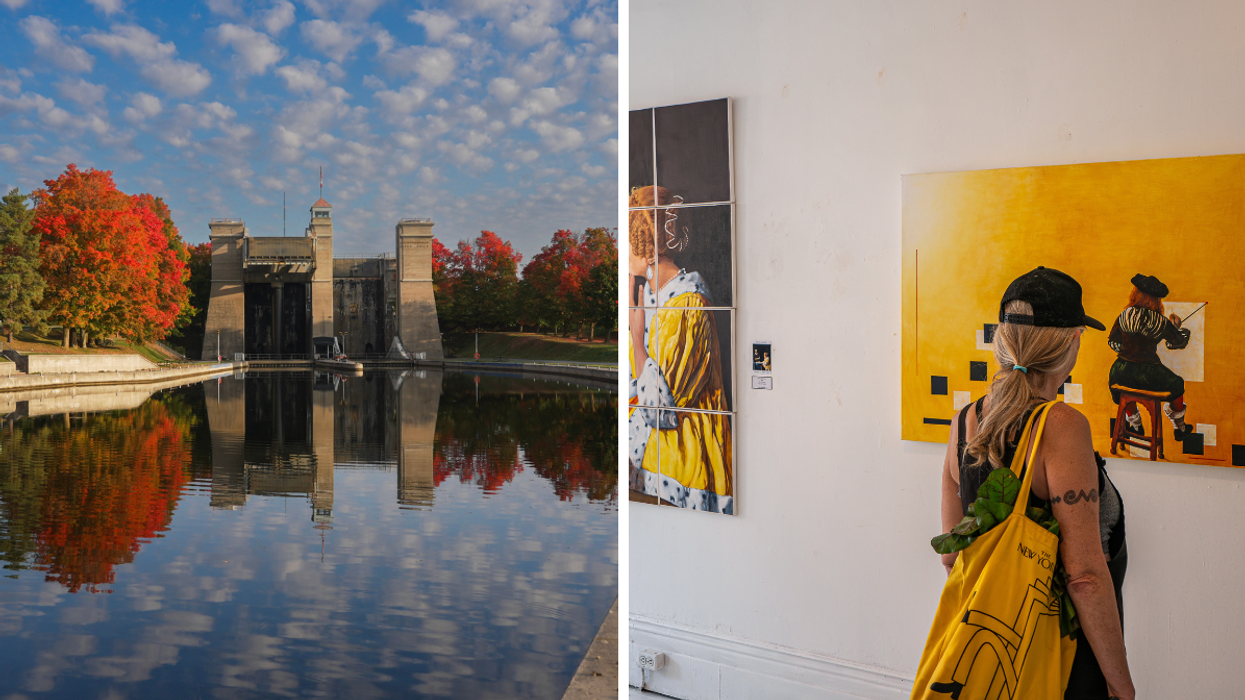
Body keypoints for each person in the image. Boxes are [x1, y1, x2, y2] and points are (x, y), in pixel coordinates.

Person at [940, 267, 1134, 700]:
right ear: (1069, 343)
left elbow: (952, 556)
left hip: (995, 650)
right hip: (1061, 654)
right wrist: (1122, 686)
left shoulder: (967, 421)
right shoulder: (1061, 425)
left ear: (1002, 341)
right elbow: (1083, 575)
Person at [627, 185, 733, 513]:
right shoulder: (653, 297)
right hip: (657, 463)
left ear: (644, 248)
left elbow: (661, 410)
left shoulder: (687, 303)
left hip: (686, 465)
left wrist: (635, 336)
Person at [1107, 273, 1193, 441]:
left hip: (1121, 370)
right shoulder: (1160, 321)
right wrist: (1176, 327)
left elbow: (1113, 342)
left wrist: (1128, 349)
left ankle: (1136, 425)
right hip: (1150, 373)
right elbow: (1177, 343)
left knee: (1125, 388)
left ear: (1136, 295)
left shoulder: (1124, 315)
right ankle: (1180, 427)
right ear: (1156, 300)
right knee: (1177, 384)